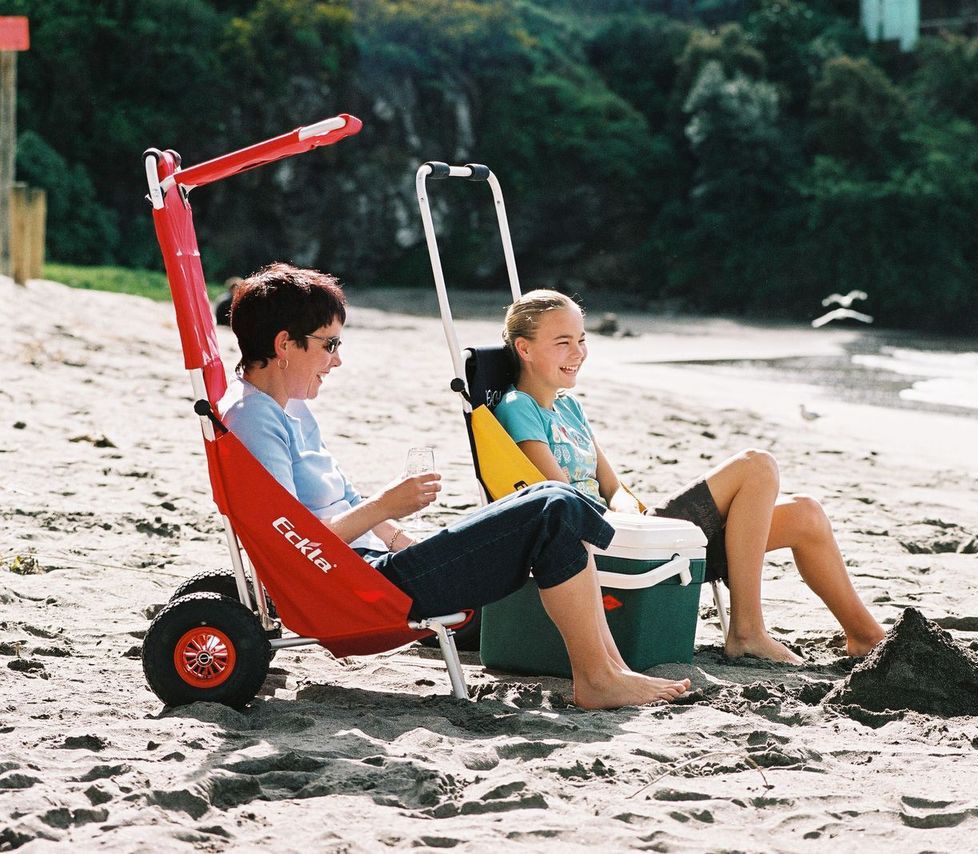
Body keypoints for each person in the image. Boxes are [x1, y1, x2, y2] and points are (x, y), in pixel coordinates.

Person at [218, 263, 690, 709]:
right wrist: (387, 504)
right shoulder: (255, 419)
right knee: (555, 506)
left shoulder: (289, 406)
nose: (337, 360)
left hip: (371, 567)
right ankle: (599, 674)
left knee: (555, 505)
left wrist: (402, 538)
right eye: (329, 344)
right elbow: (291, 546)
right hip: (356, 587)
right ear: (285, 344)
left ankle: (608, 670)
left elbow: (341, 501)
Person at [493, 289, 885, 665]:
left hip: (632, 531)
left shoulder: (569, 408)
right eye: (563, 342)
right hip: (605, 543)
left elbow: (613, 487)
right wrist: (621, 523)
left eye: (581, 339)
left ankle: (867, 637)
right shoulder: (519, 408)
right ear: (524, 348)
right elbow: (561, 498)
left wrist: (628, 510)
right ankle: (747, 630)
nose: (578, 352)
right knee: (757, 465)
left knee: (805, 514)